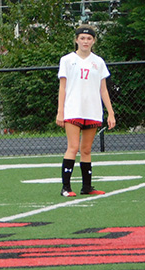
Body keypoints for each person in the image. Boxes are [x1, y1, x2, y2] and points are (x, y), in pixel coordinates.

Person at [56, 24, 116, 197]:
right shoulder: (67, 60)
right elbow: (63, 87)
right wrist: (61, 111)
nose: (85, 41)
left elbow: (103, 89)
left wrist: (110, 112)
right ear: (76, 40)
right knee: (73, 147)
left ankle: (87, 186)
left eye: (89, 38)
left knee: (87, 149)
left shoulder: (98, 62)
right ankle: (66, 187)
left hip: (92, 110)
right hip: (73, 109)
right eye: (82, 38)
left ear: (93, 41)